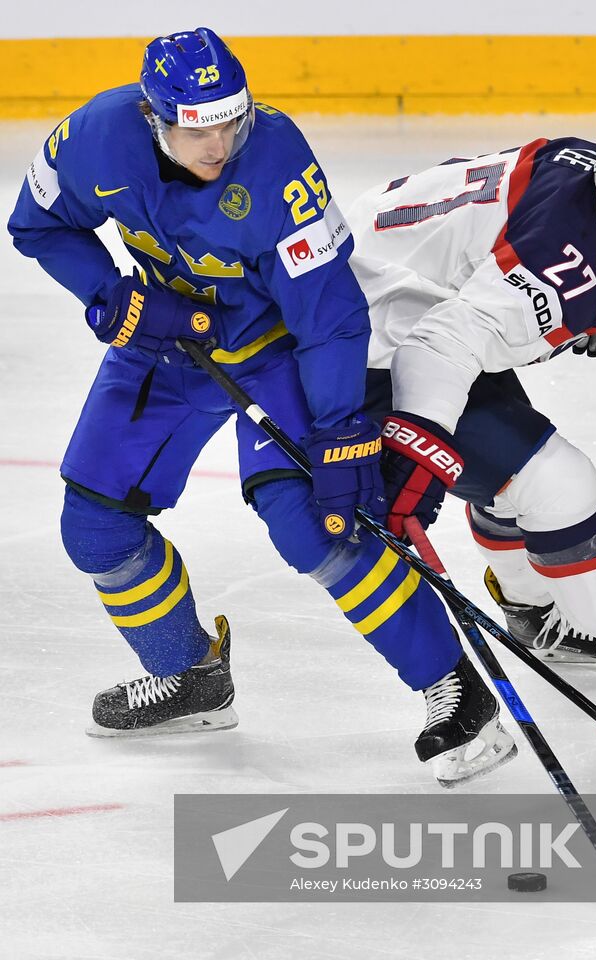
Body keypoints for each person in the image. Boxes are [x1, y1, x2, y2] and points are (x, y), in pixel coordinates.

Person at [7, 27, 518, 784]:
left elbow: (331, 313)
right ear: (153, 117)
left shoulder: (277, 162)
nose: (218, 142)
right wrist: (111, 295)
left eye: (230, 120)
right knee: (93, 522)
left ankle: (456, 690)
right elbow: (37, 224)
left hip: (276, 349)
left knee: (317, 525)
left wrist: (343, 428)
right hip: (166, 347)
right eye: (196, 126)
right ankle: (190, 678)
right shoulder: (93, 136)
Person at [348, 98, 596, 730]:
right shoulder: (560, 259)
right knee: (559, 484)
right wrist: (415, 447)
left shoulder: (580, 162)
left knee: (511, 470)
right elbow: (443, 345)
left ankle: (533, 612)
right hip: (365, 339)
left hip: (375, 289)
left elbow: (509, 243)